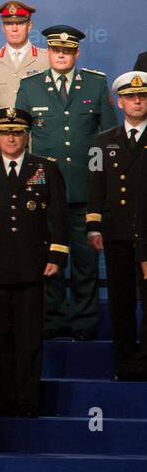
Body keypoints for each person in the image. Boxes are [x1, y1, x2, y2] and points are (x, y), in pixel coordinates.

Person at [14, 25, 116, 340]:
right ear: (48, 51)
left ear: (76, 53)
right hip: (45, 190)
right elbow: (16, 137)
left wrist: (106, 186)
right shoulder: (30, 87)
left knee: (86, 262)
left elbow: (109, 138)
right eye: (56, 50)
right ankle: (53, 319)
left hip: (86, 190)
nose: (61, 55)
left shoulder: (96, 85)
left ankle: (84, 322)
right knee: (50, 261)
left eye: (67, 51)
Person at [0, 108, 68, 416]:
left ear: (26, 136)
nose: (11, 138)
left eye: (17, 133)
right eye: (5, 133)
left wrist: (56, 254)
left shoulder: (46, 169)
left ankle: (27, 400)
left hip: (32, 266)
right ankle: (3, 399)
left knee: (29, 339)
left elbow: (59, 216)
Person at [87, 72, 147, 381]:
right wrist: (94, 225)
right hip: (116, 233)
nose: (137, 101)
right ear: (119, 102)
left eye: (143, 96)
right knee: (121, 300)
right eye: (131, 97)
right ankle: (125, 362)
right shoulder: (101, 142)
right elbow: (96, 187)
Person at [0, 1, 47, 114]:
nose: (14, 29)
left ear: (29, 26)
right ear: (3, 28)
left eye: (19, 23)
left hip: (35, 130)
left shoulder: (46, 60)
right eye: (9, 24)